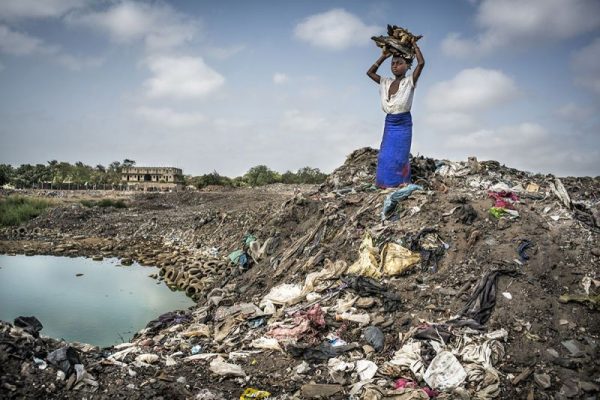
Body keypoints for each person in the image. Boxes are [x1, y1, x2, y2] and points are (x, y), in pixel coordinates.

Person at [367, 37, 424, 188]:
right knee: (385, 156)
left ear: (407, 66)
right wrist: (384, 56)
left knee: (399, 157)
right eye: (393, 63)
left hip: (403, 124)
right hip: (390, 123)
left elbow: (421, 63)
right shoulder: (385, 82)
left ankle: (400, 183)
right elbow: (370, 72)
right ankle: (384, 184)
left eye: (399, 63)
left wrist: (414, 45)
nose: (395, 66)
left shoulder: (409, 81)